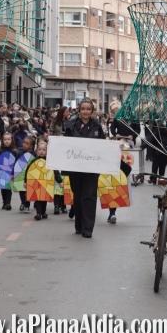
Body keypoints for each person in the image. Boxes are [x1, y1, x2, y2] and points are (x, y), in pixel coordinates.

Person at [65, 99, 106, 239]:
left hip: (91, 169)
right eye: (83, 109)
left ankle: (88, 229)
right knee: (78, 196)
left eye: (88, 109)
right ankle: (79, 225)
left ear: (92, 111)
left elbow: (103, 146)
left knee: (89, 197)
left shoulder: (97, 127)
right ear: (79, 110)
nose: (85, 111)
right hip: (75, 169)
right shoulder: (71, 125)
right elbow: (65, 145)